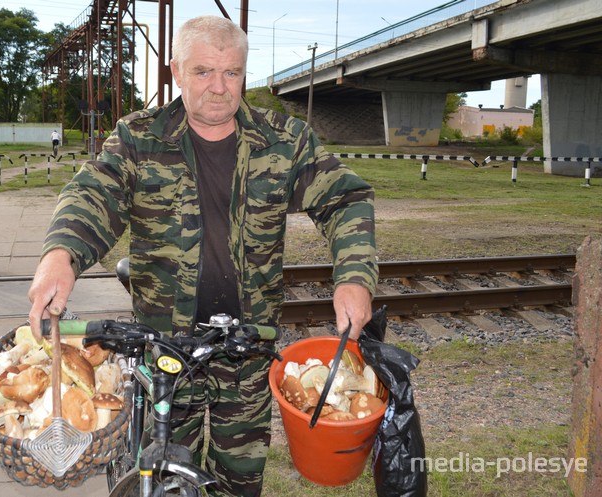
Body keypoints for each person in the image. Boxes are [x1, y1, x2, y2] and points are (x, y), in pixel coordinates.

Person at [27, 16, 377, 497]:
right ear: (175, 71)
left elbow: (346, 199)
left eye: (231, 73)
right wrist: (60, 256)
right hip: (166, 354)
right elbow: (93, 195)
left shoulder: (284, 140)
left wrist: (354, 275)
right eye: (203, 72)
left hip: (247, 352)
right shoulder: (138, 138)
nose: (219, 87)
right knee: (162, 476)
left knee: (240, 480)